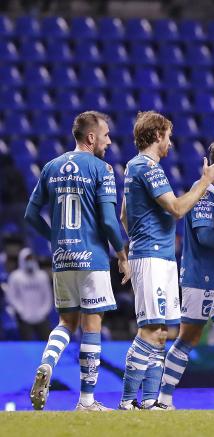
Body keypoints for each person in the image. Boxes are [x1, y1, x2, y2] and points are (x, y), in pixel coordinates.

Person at [118, 111, 214, 410]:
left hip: (158, 256)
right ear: (157, 135)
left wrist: (139, 238)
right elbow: (178, 209)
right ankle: (128, 400)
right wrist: (204, 182)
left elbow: (125, 215)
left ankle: (152, 400)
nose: (170, 143)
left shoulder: (134, 167)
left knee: (163, 332)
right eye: (168, 136)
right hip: (153, 257)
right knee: (150, 329)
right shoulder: (149, 168)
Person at [24, 111, 131, 411]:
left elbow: (31, 215)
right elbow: (110, 221)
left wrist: (54, 238)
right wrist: (121, 254)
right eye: (106, 135)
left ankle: (47, 362)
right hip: (92, 257)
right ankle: (86, 400)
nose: (109, 141)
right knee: (92, 324)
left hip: (62, 258)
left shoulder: (50, 167)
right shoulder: (101, 169)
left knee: (66, 322)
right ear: (91, 137)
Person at [150, 139, 214, 410]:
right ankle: (164, 400)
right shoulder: (203, 193)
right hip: (202, 280)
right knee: (187, 339)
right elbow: (206, 236)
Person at [4, 248, 52, 340]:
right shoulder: (15, 277)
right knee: (27, 343)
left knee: (47, 341)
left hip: (41, 316)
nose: (29, 261)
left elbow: (48, 296)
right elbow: (11, 297)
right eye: (27, 259)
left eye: (31, 259)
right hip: (23, 317)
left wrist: (43, 311)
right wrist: (21, 310)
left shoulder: (42, 276)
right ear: (22, 259)